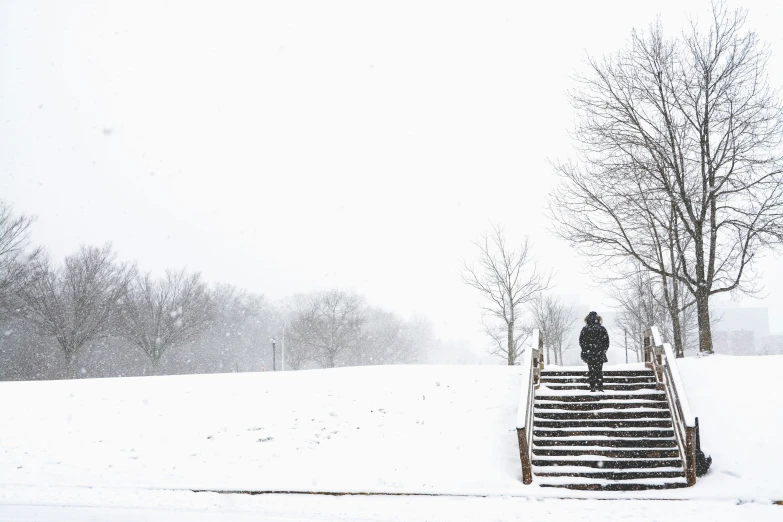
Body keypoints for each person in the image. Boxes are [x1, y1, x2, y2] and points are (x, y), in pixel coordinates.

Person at [579, 311, 609, 392]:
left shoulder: (585, 329)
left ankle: (592, 387)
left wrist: (586, 350)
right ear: (598, 319)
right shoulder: (602, 329)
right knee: (599, 370)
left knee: (591, 370)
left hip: (589, 354)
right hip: (599, 353)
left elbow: (581, 342)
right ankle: (600, 387)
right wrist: (603, 350)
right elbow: (606, 342)